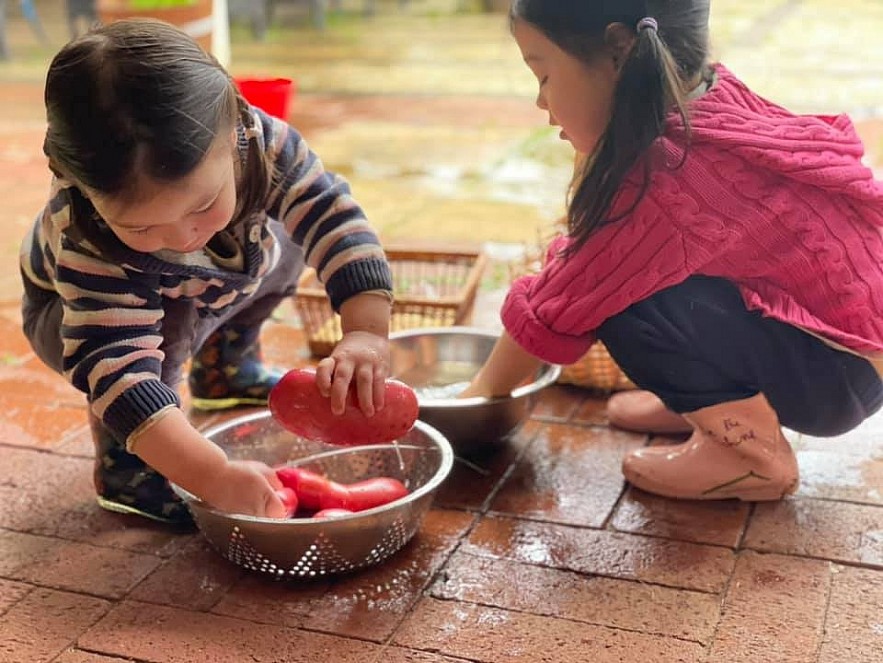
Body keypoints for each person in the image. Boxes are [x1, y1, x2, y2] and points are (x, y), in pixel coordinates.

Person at [462, 0, 883, 502]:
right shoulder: (712, 94)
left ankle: (751, 456)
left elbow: (562, 297)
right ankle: (712, 410)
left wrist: (476, 396)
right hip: (855, 351)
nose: (540, 101)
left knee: (619, 301)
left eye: (544, 75)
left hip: (836, 374)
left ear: (619, 53)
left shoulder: (664, 173)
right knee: (645, 277)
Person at [20, 19, 394, 526]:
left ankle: (225, 367)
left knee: (286, 241)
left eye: (204, 204)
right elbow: (117, 368)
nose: (182, 237)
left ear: (238, 126)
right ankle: (129, 469)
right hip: (75, 321)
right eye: (143, 225)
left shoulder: (266, 144)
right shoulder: (86, 236)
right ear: (82, 188)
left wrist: (366, 332)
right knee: (162, 324)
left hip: (204, 283)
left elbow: (333, 215)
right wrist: (212, 475)